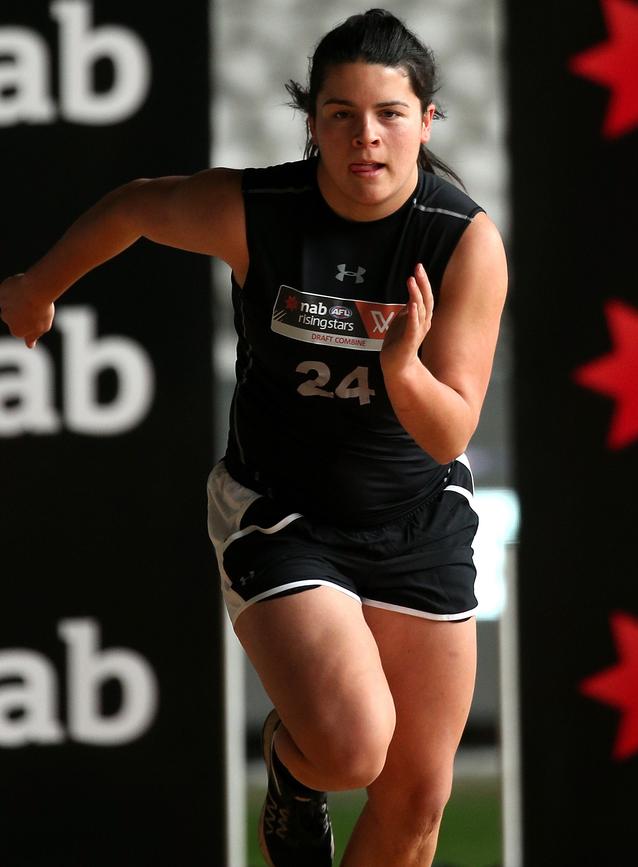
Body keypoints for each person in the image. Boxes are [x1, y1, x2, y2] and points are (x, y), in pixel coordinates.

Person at [0, 9, 507, 866]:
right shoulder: (259, 211)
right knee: (353, 746)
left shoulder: (462, 241)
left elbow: (449, 424)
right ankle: (290, 765)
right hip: (284, 513)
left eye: (389, 114)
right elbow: (136, 207)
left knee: (418, 797)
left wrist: (401, 369)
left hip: (417, 514)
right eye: (340, 114)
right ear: (311, 123)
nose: (365, 138)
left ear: (427, 120)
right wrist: (36, 284)